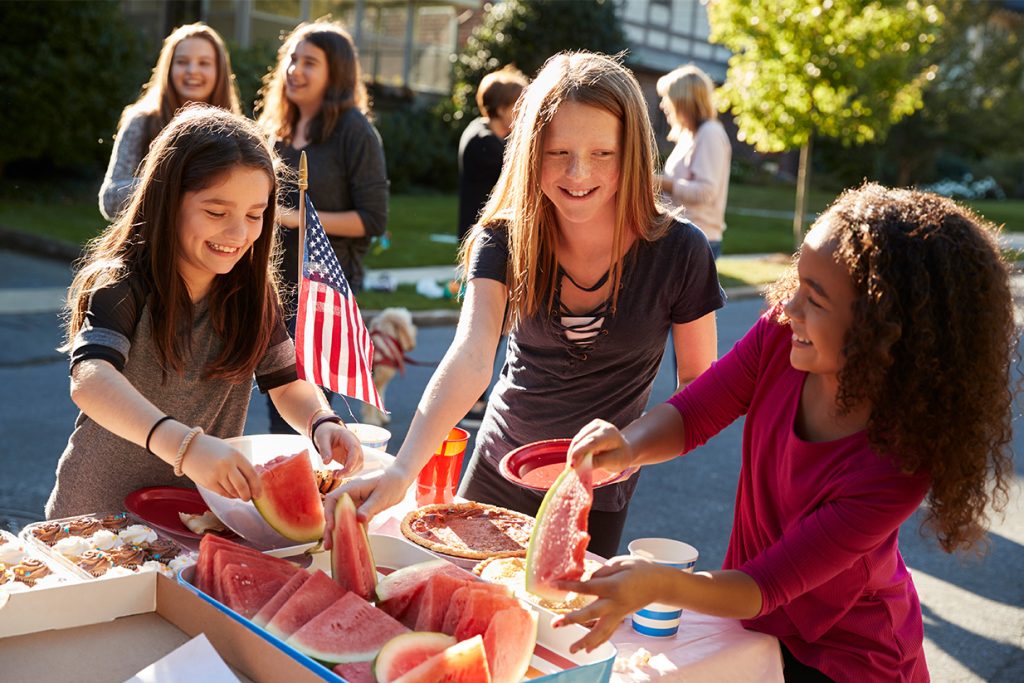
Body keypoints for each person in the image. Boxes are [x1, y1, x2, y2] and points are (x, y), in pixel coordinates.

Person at [556, 184, 1018, 681]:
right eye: (798, 283)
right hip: (754, 629)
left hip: (850, 659)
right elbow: (694, 411)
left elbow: (765, 585)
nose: (789, 307)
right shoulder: (782, 339)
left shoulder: (898, 468)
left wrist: (658, 585)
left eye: (814, 300)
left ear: (884, 332)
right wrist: (628, 445)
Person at [328, 52, 725, 558]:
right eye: (559, 152)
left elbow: (698, 386)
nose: (578, 173)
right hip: (497, 467)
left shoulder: (680, 250)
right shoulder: (503, 238)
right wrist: (403, 470)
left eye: (603, 153)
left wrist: (631, 447)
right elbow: (472, 356)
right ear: (530, 153)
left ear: (632, 153)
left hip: (596, 492)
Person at [47, 106, 363, 518]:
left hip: (197, 517)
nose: (238, 234)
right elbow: (90, 380)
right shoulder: (121, 281)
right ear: (167, 200)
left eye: (255, 215)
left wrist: (322, 421)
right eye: (216, 213)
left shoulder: (253, 293)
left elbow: (286, 385)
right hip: (96, 516)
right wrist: (187, 447)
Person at [256, 20, 389, 435]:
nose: (295, 69)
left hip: (320, 296)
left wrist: (300, 218)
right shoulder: (272, 127)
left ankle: (309, 496)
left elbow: (373, 219)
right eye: (291, 59)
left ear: (337, 73)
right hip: (267, 288)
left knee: (302, 420)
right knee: (264, 407)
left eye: (309, 62)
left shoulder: (355, 132)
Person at [98, 23, 242, 221]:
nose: (192, 70)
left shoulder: (236, 133)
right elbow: (110, 200)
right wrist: (172, 184)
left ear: (219, 71)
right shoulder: (142, 122)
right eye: (182, 62)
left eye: (204, 63)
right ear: (168, 68)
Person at [456, 65, 529, 427]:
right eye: (520, 103)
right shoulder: (484, 141)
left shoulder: (487, 136)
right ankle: (470, 401)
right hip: (487, 246)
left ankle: (476, 396)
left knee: (497, 325)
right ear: (502, 108)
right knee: (486, 326)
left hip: (499, 244)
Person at [654, 64, 731, 259]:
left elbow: (705, 192)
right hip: (681, 236)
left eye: (667, 98)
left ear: (683, 101)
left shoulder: (710, 134)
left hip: (697, 241)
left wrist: (659, 182)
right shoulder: (690, 136)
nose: (663, 105)